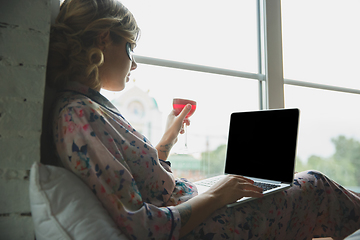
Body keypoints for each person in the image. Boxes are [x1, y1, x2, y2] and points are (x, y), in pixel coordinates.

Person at [46, 0, 360, 239]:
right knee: (315, 184)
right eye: (130, 48)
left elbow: (144, 183)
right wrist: (217, 195)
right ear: (103, 40)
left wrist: (166, 143)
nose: (134, 63)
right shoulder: (78, 117)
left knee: (291, 184)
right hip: (201, 223)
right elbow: (143, 225)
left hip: (195, 203)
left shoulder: (89, 108)